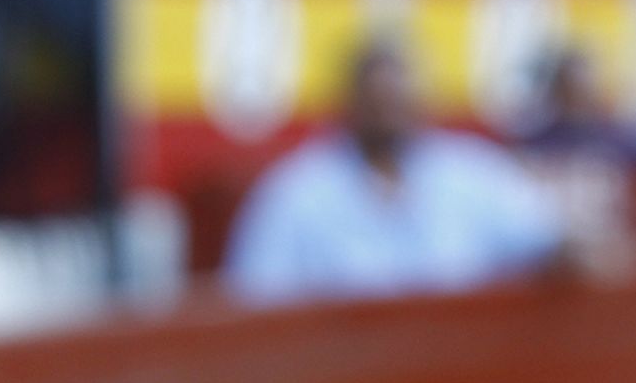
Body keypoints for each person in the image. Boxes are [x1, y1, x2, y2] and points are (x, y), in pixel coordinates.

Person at [224, 39, 567, 304]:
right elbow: (255, 300)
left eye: (399, 101)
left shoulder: (471, 173)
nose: (389, 115)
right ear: (348, 105)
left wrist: (570, 253)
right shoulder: (295, 193)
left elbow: (544, 242)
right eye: (377, 103)